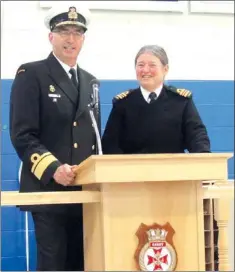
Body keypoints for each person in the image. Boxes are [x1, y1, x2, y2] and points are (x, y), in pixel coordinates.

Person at [9, 4, 100, 271]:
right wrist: (52, 168)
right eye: (63, 32)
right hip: (49, 191)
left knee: (83, 263)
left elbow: (94, 138)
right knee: (54, 264)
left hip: (84, 192)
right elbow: (22, 134)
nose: (70, 39)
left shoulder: (91, 81)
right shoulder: (32, 74)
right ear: (51, 36)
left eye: (76, 33)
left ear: (83, 39)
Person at [101, 44, 210, 154]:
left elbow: (197, 135)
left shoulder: (181, 101)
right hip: (134, 169)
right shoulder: (123, 103)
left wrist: (203, 155)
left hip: (172, 168)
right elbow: (110, 144)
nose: (145, 70)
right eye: (141, 65)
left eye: (152, 65)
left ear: (165, 69)